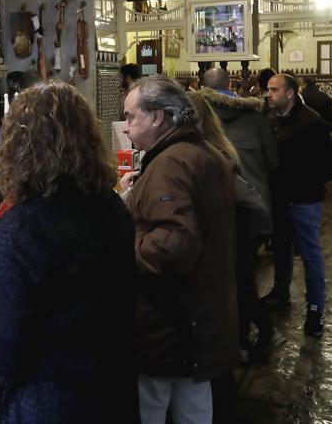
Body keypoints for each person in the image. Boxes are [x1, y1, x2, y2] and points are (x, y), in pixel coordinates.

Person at [0, 82, 136, 423]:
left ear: (19, 148)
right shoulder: (111, 207)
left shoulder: (19, 230)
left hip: (46, 407)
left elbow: (0, 360)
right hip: (111, 396)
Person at [120, 76, 235, 424]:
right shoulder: (205, 153)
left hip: (169, 322)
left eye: (130, 117)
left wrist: (121, 247)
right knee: (195, 406)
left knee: (150, 407)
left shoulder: (169, 164)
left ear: (157, 117)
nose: (125, 129)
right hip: (202, 317)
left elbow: (172, 246)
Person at [196, 69, 282, 362]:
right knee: (243, 274)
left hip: (222, 208)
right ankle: (247, 337)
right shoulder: (256, 117)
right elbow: (273, 162)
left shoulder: (201, 115)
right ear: (231, 85)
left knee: (234, 276)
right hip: (254, 206)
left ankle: (245, 337)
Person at [261, 73, 332, 338]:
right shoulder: (271, 120)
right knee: (281, 247)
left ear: (290, 93)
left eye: (274, 90)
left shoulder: (311, 122)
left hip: (304, 199)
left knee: (310, 254)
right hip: (279, 198)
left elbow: (330, 166)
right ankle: (281, 293)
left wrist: (302, 179)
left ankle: (315, 309)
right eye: (268, 90)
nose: (268, 94)